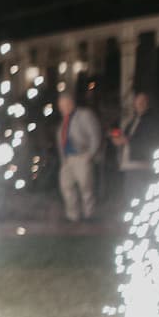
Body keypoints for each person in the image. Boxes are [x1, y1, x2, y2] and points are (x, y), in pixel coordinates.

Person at [109, 90, 159, 213]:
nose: (140, 105)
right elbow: (128, 136)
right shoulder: (134, 120)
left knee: (138, 194)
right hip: (130, 162)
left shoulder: (151, 121)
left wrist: (126, 140)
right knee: (130, 193)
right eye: (138, 102)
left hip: (141, 163)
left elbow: (149, 141)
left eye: (143, 102)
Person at [55, 91, 103, 222]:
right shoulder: (64, 121)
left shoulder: (84, 115)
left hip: (82, 155)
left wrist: (91, 154)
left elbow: (95, 135)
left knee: (86, 187)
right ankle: (73, 215)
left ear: (71, 103)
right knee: (66, 186)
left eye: (64, 105)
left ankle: (89, 214)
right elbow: (62, 140)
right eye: (60, 106)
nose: (61, 108)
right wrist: (63, 159)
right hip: (68, 158)